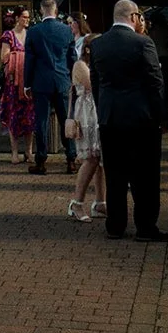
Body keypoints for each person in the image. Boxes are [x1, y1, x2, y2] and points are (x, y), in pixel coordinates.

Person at [92, 0, 168, 242]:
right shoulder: (143, 43)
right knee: (145, 175)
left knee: (115, 175)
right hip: (141, 118)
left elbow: (96, 83)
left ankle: (115, 225)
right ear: (134, 16)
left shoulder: (98, 44)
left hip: (110, 118)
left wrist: (103, 110)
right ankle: (146, 226)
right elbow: (154, 81)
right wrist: (159, 115)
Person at [25, 0, 76, 175]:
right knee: (65, 120)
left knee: (42, 122)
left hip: (41, 82)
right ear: (55, 10)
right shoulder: (66, 30)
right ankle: (71, 159)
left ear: (41, 10)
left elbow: (29, 60)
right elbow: (72, 58)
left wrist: (26, 84)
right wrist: (72, 79)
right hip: (62, 80)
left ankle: (41, 160)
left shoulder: (33, 32)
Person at [66, 40, 106, 222]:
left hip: (97, 111)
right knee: (90, 158)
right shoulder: (80, 65)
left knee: (99, 159)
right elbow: (92, 85)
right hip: (87, 115)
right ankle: (76, 203)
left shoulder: (95, 64)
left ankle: (100, 202)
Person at [0, 9, 35, 164]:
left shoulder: (31, 34)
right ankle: (14, 152)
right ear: (17, 18)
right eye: (24, 17)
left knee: (29, 117)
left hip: (28, 82)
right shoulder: (9, 36)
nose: (26, 20)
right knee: (14, 116)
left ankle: (29, 151)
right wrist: (20, 56)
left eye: (28, 17)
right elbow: (4, 57)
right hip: (14, 83)